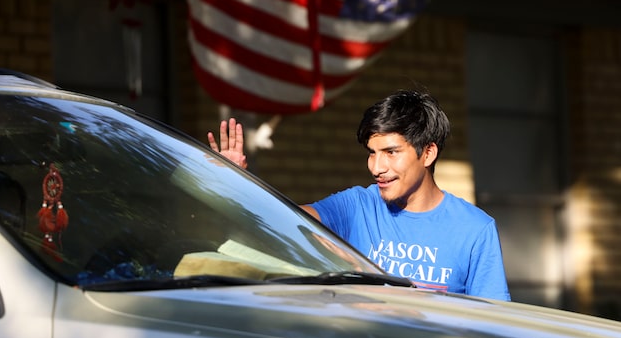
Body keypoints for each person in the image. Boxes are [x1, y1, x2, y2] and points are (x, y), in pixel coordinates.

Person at [208, 90, 511, 301]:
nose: (377, 167)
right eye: (371, 153)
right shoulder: (357, 206)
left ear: (428, 152)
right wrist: (237, 185)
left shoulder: (475, 229)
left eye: (391, 152)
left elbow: (495, 326)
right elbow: (282, 220)